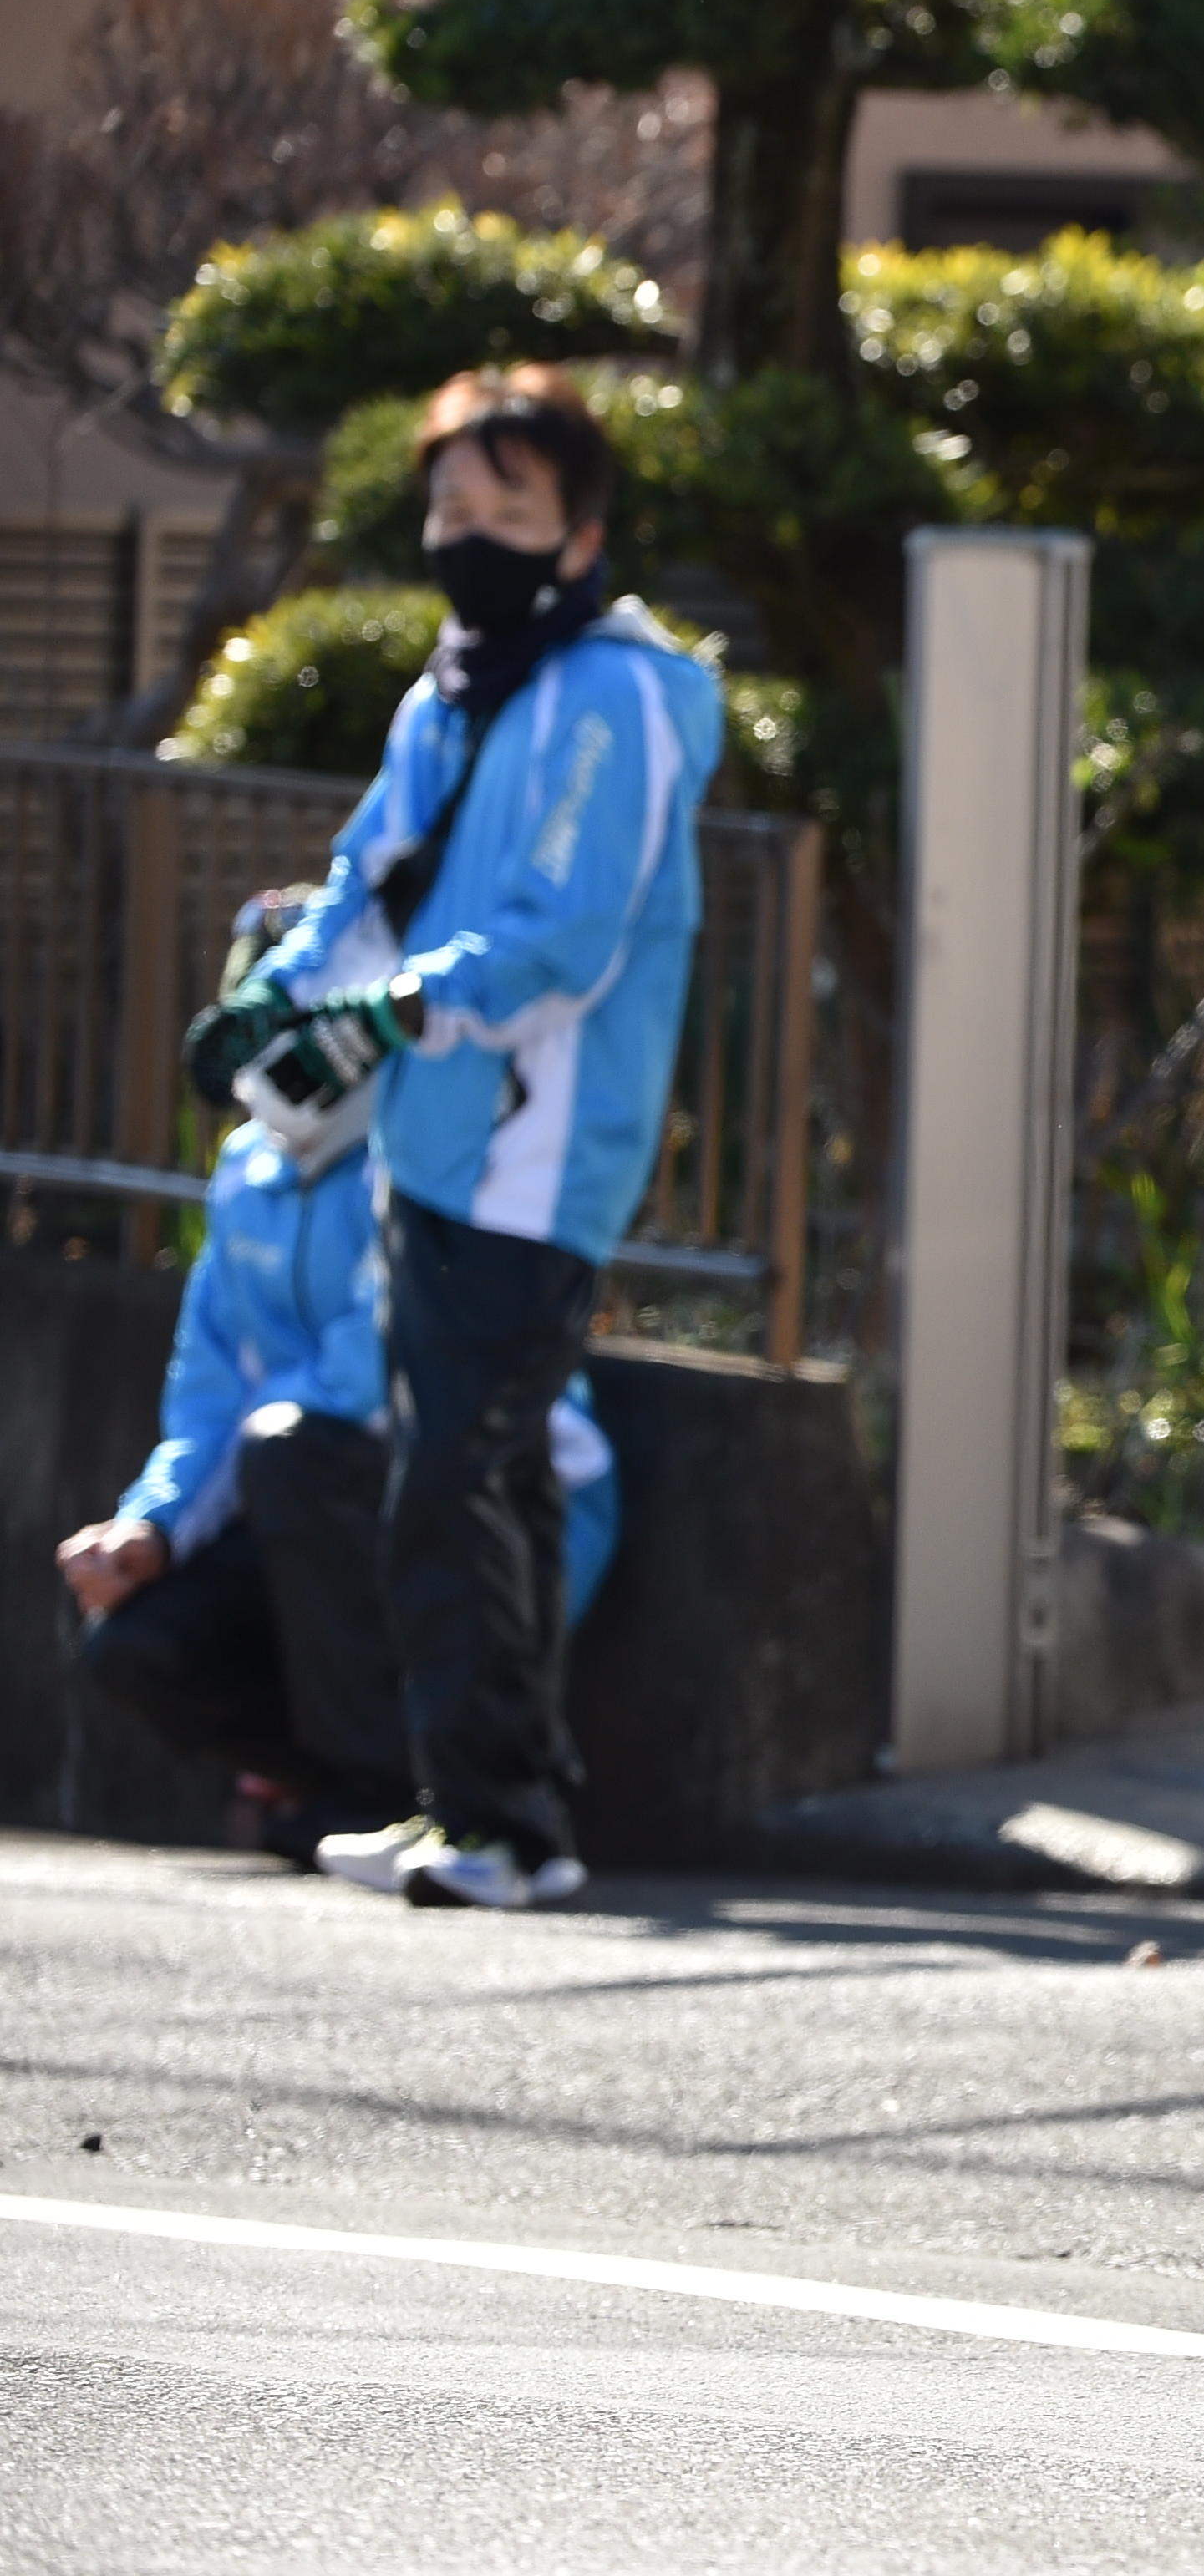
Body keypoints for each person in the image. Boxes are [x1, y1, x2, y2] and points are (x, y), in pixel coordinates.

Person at [182, 364, 722, 1914]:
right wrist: (279, 991)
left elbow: (569, 929)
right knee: (478, 1476)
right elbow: (364, 873)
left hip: (537, 1146)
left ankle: (496, 1818)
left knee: (450, 1480)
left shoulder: (623, 692)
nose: (463, 532)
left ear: (580, 533)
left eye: (503, 507)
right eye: (447, 504)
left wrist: (389, 1012)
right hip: (443, 1136)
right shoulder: (453, 686)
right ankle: (493, 1808)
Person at [60, 1117, 622, 1873]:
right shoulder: (246, 1168)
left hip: (490, 1521)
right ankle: (353, 1790)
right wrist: (153, 1526)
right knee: (136, 1646)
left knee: (290, 1453)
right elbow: (210, 1399)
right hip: (321, 1504)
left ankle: (421, 1795)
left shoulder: (427, 1150)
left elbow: (357, 1387)